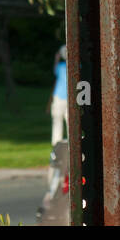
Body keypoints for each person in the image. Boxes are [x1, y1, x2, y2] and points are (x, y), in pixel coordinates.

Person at [47, 45, 67, 183]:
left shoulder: (60, 67)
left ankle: (57, 144)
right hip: (68, 97)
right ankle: (68, 141)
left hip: (60, 97)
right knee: (67, 120)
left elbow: (54, 71)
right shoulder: (77, 66)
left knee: (57, 122)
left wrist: (56, 58)